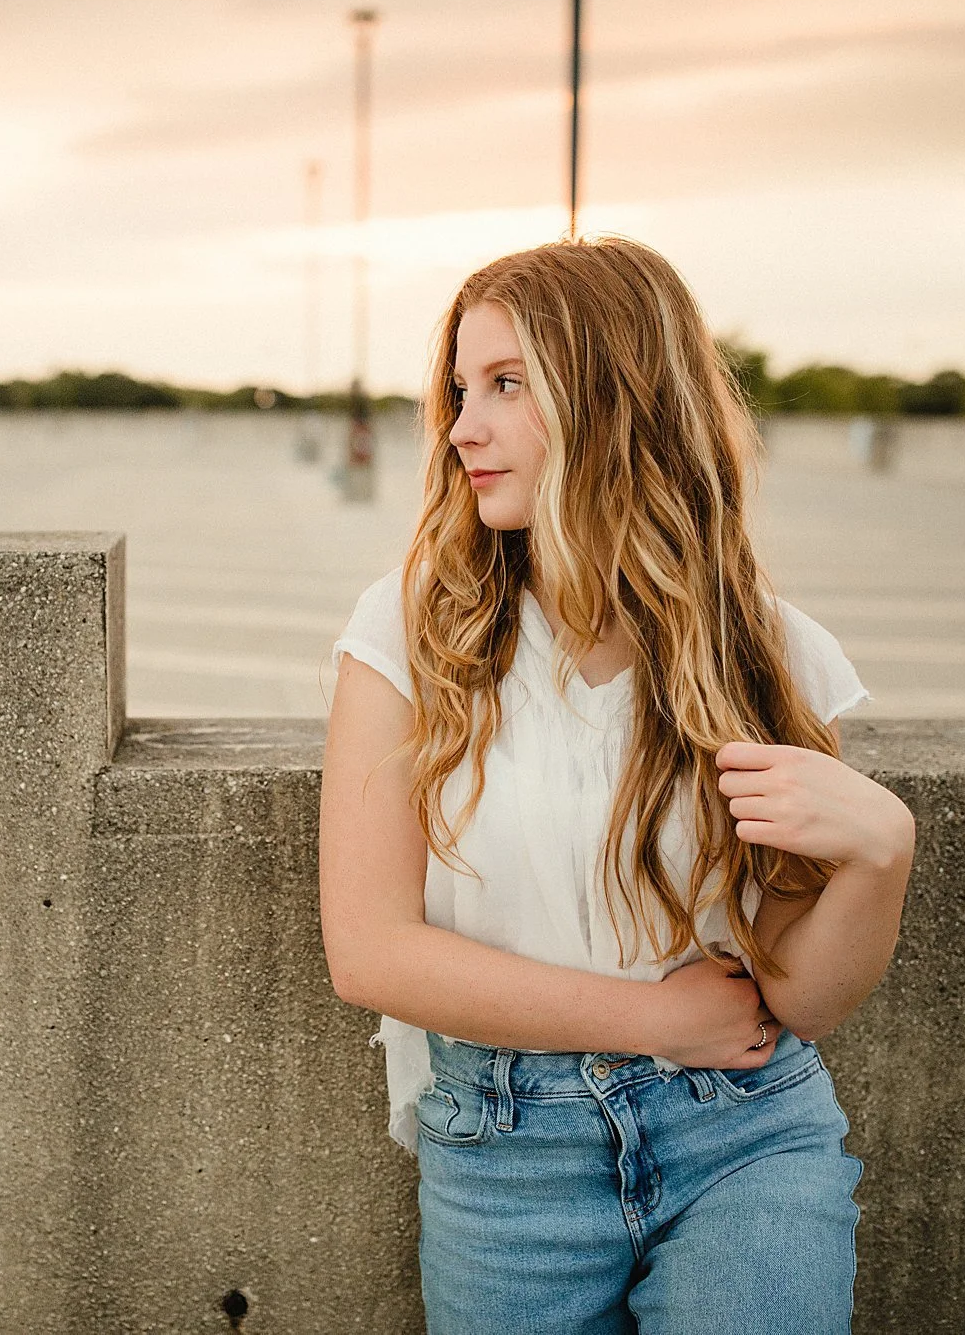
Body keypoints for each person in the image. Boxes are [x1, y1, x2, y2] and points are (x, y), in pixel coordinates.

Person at [319, 238, 916, 1334]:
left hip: (743, 1137)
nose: (460, 428)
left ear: (613, 398)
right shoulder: (406, 633)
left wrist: (879, 858)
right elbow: (368, 950)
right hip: (504, 1155)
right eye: (459, 389)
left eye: (505, 385)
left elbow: (800, 998)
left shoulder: (766, 651)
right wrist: (649, 1018)